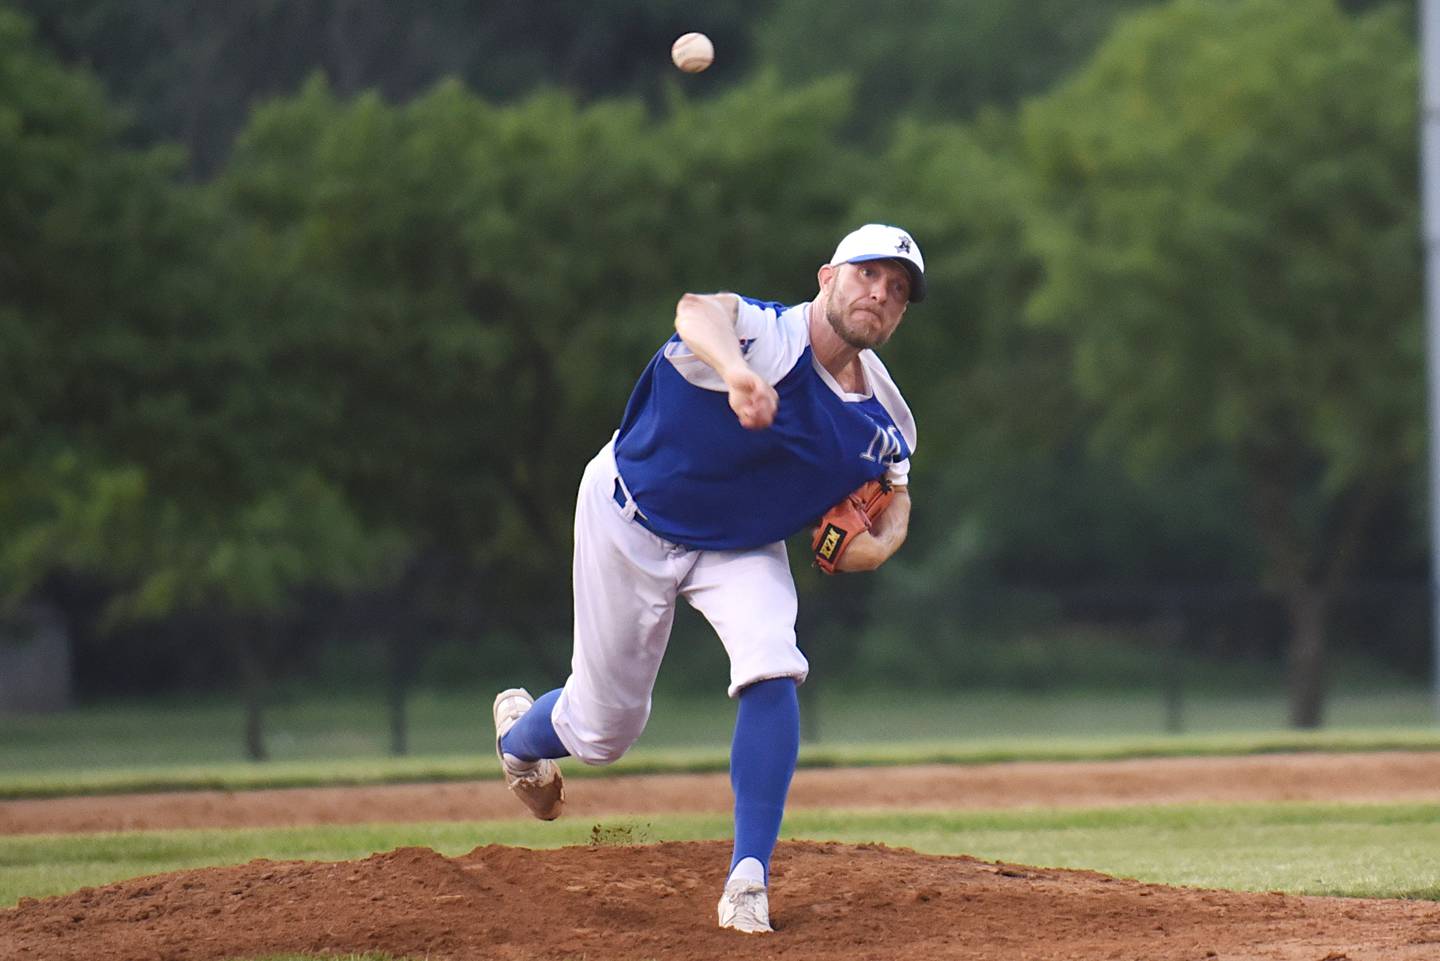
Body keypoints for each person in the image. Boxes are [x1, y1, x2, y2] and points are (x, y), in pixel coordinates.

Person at [492, 223, 924, 933]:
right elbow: (697, 309)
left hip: (740, 543)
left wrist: (882, 543)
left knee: (773, 662)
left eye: (898, 288)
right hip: (630, 514)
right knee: (605, 732)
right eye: (867, 274)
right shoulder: (762, 335)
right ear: (827, 276)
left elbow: (896, 486)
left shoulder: (884, 419)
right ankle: (520, 738)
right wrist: (736, 374)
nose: (881, 291)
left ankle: (748, 880)